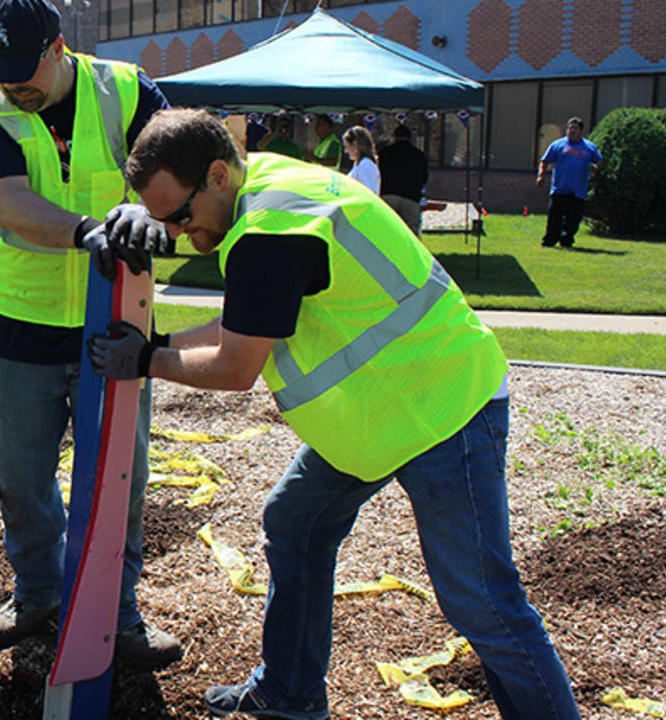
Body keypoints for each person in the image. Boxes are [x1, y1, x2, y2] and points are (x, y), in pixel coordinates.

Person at [88, 109, 581, 720]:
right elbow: (249, 320)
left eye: (180, 216)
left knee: (481, 599)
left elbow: (237, 366)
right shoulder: (262, 184)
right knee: (296, 523)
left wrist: (148, 359)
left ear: (217, 174)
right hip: (382, 412)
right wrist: (161, 343)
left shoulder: (271, 230)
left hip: (443, 407)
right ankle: (289, 693)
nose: (181, 234)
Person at [0, 0, 182, 670]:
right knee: (20, 477)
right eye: (2, 75)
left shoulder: (126, 91)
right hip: (21, 325)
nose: (14, 89)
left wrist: (144, 213)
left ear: (59, 49)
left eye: (25, 74)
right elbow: (6, 200)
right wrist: (87, 231)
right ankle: (38, 593)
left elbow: (175, 172)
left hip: (115, 322)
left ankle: (119, 614)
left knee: (121, 477)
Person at [537, 116, 604, 248]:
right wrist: (540, 175)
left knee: (573, 220)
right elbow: (544, 161)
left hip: (578, 189)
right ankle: (549, 242)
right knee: (554, 218)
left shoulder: (589, 147)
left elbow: (599, 162)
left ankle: (566, 241)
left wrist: (595, 169)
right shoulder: (558, 145)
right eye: (569, 128)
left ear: (581, 131)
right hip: (560, 188)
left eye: (575, 128)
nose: (571, 131)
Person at [378, 124, 428, 236]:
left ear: (394, 137)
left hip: (388, 195)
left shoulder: (384, 153)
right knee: (412, 232)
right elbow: (424, 178)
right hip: (411, 197)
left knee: (388, 229)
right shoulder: (419, 155)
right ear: (410, 137)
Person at [342, 125, 380, 195]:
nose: (346, 151)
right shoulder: (359, 164)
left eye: (347, 147)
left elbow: (369, 192)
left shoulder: (366, 164)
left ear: (355, 144)